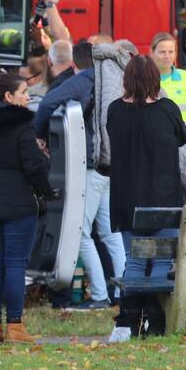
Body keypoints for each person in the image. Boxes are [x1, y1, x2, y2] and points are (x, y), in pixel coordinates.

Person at [0, 73, 59, 344]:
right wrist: (46, 191)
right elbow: (32, 165)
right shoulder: (22, 125)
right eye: (24, 92)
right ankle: (15, 326)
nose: (28, 97)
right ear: (8, 97)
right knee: (16, 263)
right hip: (19, 200)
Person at [36, 42, 125, 311]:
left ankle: (99, 295)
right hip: (112, 164)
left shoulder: (84, 79)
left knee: (82, 233)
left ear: (75, 64)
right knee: (110, 233)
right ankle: (123, 293)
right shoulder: (113, 79)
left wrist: (40, 134)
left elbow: (49, 102)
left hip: (90, 166)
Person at [106, 55, 186, 342]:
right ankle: (156, 322)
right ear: (157, 79)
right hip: (164, 200)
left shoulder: (115, 110)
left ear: (126, 80)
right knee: (162, 262)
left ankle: (128, 322)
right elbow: (183, 137)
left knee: (135, 262)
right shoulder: (167, 109)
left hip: (127, 202)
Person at [150, 32, 186, 162]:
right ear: (152, 53)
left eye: (171, 51)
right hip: (158, 152)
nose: (167, 56)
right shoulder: (146, 81)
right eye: (162, 52)